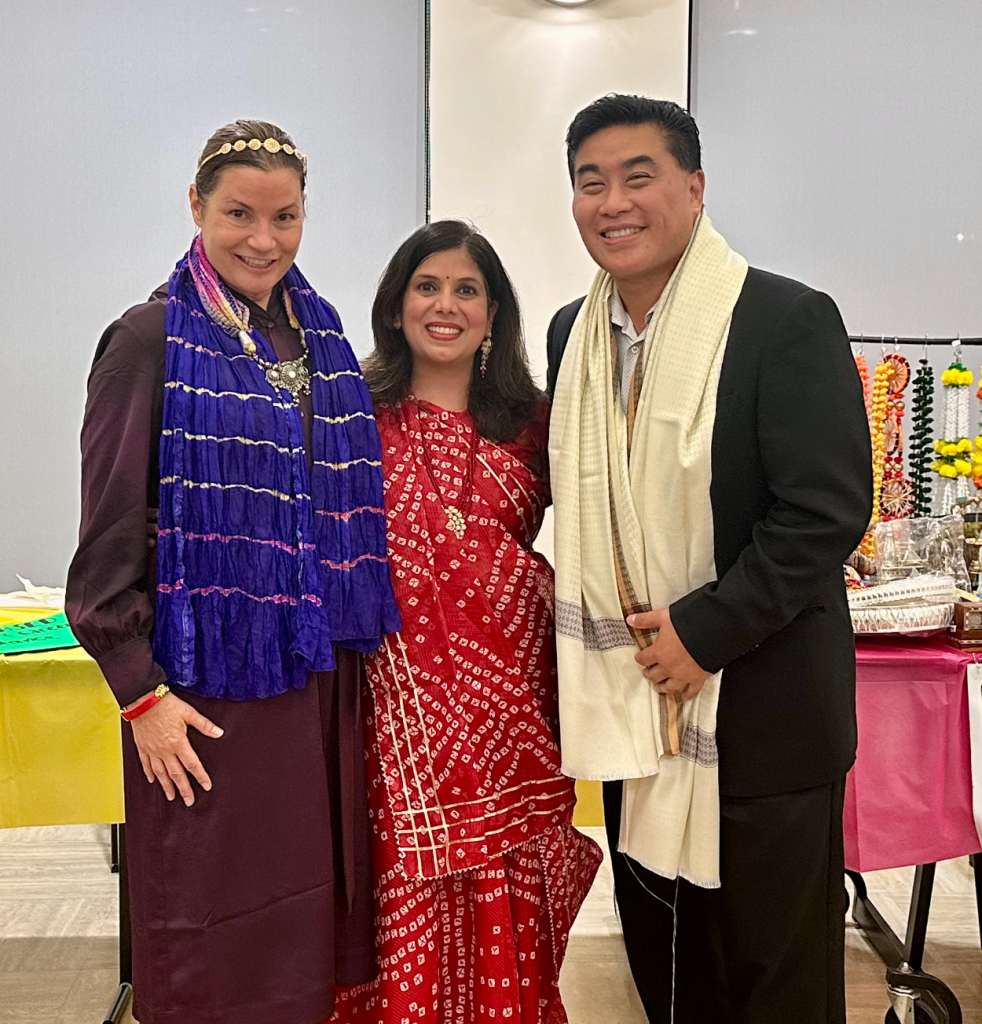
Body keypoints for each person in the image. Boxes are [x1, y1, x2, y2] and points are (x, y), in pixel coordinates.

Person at [545, 95, 872, 1024]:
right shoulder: (572, 334)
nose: (613, 202)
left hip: (764, 717)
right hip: (634, 711)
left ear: (694, 187)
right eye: (591, 182)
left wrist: (704, 635)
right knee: (668, 972)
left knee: (775, 982)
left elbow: (824, 512)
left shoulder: (783, 318)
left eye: (638, 176)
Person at [66, 119, 399, 1024]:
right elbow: (105, 544)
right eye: (239, 214)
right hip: (205, 694)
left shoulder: (322, 343)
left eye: (285, 216)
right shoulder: (148, 340)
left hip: (315, 681)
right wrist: (141, 696)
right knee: (215, 942)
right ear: (196, 207)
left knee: (304, 938)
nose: (264, 238)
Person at [329, 220, 601, 1024]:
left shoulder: (534, 424)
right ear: (396, 305)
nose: (445, 305)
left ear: (492, 314)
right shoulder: (350, 416)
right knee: (400, 899)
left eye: (466, 289)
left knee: (508, 893)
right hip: (393, 720)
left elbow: (605, 533)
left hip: (511, 711)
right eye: (427, 286)